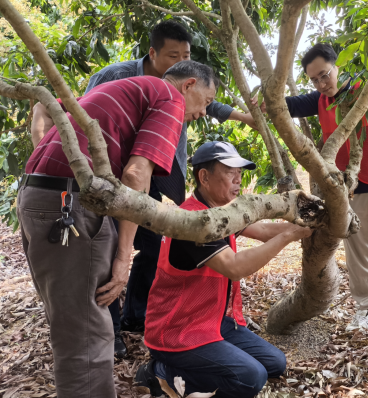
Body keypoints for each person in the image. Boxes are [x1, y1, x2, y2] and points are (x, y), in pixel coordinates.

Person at [18, 61, 218, 398]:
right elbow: (135, 176)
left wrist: (41, 141)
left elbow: (47, 106)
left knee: (71, 325)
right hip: (69, 204)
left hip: (36, 195)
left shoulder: (120, 88)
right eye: (207, 102)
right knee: (88, 334)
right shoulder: (169, 98)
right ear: (189, 85)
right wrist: (125, 254)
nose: (201, 113)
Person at [83, 20, 255, 356]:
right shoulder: (127, 79)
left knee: (155, 244)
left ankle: (137, 314)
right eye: (172, 55)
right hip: (121, 174)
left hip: (159, 168)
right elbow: (89, 116)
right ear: (153, 53)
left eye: (185, 54)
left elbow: (209, 105)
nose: (179, 60)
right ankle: (112, 330)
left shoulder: (181, 91)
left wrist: (248, 117)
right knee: (113, 248)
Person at [251, 43, 368, 330]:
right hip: (352, 189)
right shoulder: (320, 100)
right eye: (314, 80)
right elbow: (286, 106)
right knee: (357, 251)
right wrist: (263, 100)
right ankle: (364, 310)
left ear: (338, 66)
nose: (321, 84)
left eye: (325, 75)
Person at [135, 141, 312, 398]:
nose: (238, 180)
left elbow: (262, 231)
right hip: (178, 329)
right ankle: (159, 371)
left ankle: (202, 365)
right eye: (230, 172)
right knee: (252, 378)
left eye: (240, 173)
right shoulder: (194, 223)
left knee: (275, 364)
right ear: (204, 177)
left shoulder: (221, 212)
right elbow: (235, 268)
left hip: (213, 320)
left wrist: (307, 227)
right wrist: (289, 236)